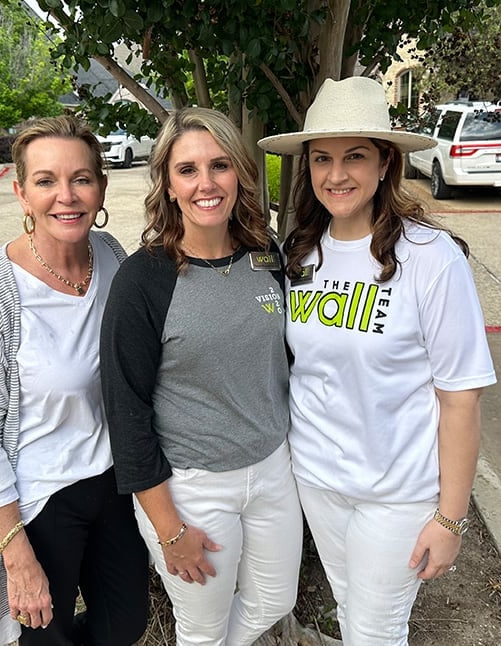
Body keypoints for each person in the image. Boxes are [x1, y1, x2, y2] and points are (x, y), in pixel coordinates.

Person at [258, 76, 497, 645]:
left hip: (399, 493)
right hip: (316, 477)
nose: (336, 175)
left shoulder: (431, 259)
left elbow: (461, 397)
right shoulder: (299, 252)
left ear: (386, 162)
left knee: (376, 629)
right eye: (322, 159)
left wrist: (450, 517)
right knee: (349, 608)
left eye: (355, 157)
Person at [99, 107, 302, 645]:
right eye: (187, 170)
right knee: (202, 628)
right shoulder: (143, 280)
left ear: (240, 172)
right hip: (192, 488)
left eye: (220, 166)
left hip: (273, 471)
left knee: (275, 598)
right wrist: (168, 527)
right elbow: (126, 411)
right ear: (167, 183)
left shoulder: (267, 255)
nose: (206, 184)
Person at [0, 115, 149, 646]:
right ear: (21, 193)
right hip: (39, 499)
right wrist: (17, 557)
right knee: (45, 636)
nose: (67, 196)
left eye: (81, 178)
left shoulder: (111, 256)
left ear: (101, 187)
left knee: (124, 625)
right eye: (46, 181)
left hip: (112, 481)